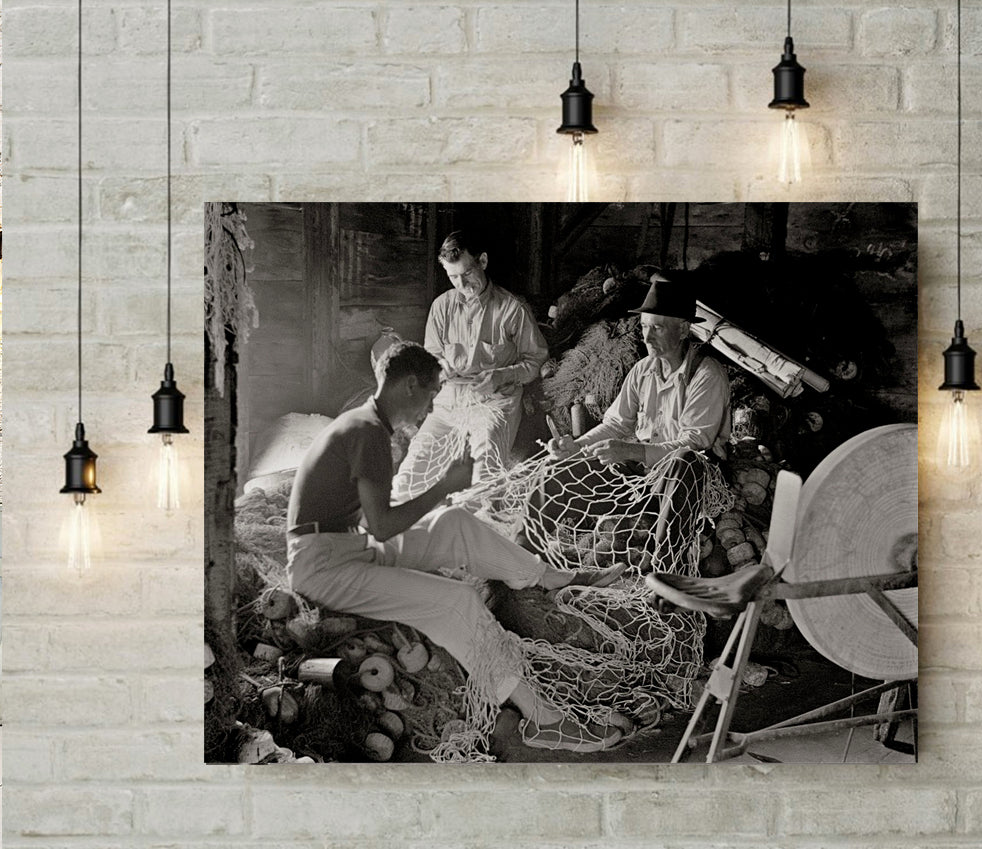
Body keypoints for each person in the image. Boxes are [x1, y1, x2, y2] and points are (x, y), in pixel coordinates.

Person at [286, 340, 624, 753]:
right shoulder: (366, 432)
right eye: (431, 395)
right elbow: (384, 525)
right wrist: (444, 485)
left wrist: (441, 500)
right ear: (410, 385)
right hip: (322, 568)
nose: (430, 409)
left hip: (349, 546)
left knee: (452, 522)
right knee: (457, 601)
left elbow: (369, 521)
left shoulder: (366, 426)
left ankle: (549, 577)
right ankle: (543, 720)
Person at [542, 271, 732, 557]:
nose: (647, 336)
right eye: (644, 327)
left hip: (682, 480)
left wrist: (631, 451)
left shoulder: (706, 374)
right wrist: (576, 447)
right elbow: (616, 424)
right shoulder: (643, 370)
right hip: (639, 473)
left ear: (682, 330)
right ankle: (531, 546)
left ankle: (665, 558)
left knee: (685, 464)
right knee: (557, 467)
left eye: (657, 328)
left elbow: (694, 444)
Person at [391, 230, 548, 502]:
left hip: (494, 402)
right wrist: (439, 368)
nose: (461, 284)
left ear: (483, 262)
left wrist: (502, 375)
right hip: (449, 403)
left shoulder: (512, 309)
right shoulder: (441, 307)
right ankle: (412, 535)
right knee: (410, 474)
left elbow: (536, 360)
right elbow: (431, 356)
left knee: (484, 475)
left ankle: (473, 532)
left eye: (466, 274)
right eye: (453, 277)